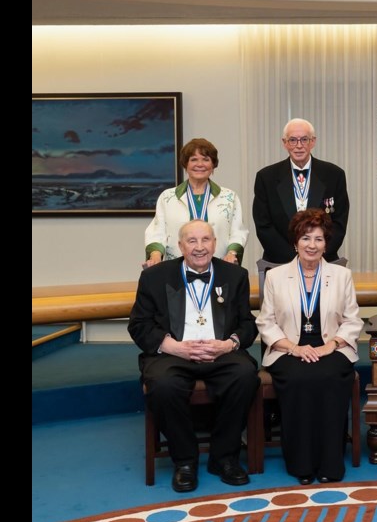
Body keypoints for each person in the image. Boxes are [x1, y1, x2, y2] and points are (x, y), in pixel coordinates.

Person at [128, 219, 260, 493]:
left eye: (206, 240)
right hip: (174, 353)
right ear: (180, 246)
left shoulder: (235, 275)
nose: (200, 247)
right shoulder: (155, 277)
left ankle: (224, 457)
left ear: (214, 243)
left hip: (220, 352)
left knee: (245, 375)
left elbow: (248, 324)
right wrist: (173, 346)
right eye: (192, 241)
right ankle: (185, 461)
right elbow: (139, 325)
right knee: (163, 385)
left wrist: (228, 344)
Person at [256, 209, 363, 485]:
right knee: (300, 378)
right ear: (295, 242)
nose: (312, 245)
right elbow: (266, 323)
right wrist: (293, 348)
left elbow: (353, 320)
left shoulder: (341, 275)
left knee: (327, 376)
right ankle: (301, 463)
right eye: (306, 238)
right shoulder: (275, 276)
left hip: (332, 347)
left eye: (318, 239)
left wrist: (332, 345)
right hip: (287, 348)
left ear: (326, 243)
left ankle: (330, 463)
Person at [253, 118, 349, 264]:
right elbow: (263, 225)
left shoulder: (334, 175)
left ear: (313, 142)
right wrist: (295, 259)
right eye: (292, 140)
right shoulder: (266, 177)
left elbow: (339, 222)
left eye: (304, 139)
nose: (299, 146)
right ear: (284, 143)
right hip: (280, 262)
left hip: (323, 260)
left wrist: (316, 253)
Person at [143, 137, 248, 268]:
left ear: (213, 164)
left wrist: (232, 253)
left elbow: (238, 232)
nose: (200, 164)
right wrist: (155, 255)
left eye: (206, 159)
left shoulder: (229, 197)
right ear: (185, 164)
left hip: (219, 267)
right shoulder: (167, 197)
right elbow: (157, 232)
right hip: (176, 269)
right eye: (193, 159)